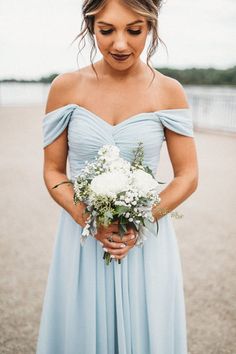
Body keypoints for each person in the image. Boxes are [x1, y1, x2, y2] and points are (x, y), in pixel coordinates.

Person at [36, 0, 198, 353]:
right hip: (81, 239)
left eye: (134, 30)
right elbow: (53, 170)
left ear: (151, 26)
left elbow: (187, 175)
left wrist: (139, 221)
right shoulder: (66, 88)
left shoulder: (168, 90)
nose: (120, 44)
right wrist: (89, 220)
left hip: (145, 241)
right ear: (90, 25)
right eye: (106, 30)